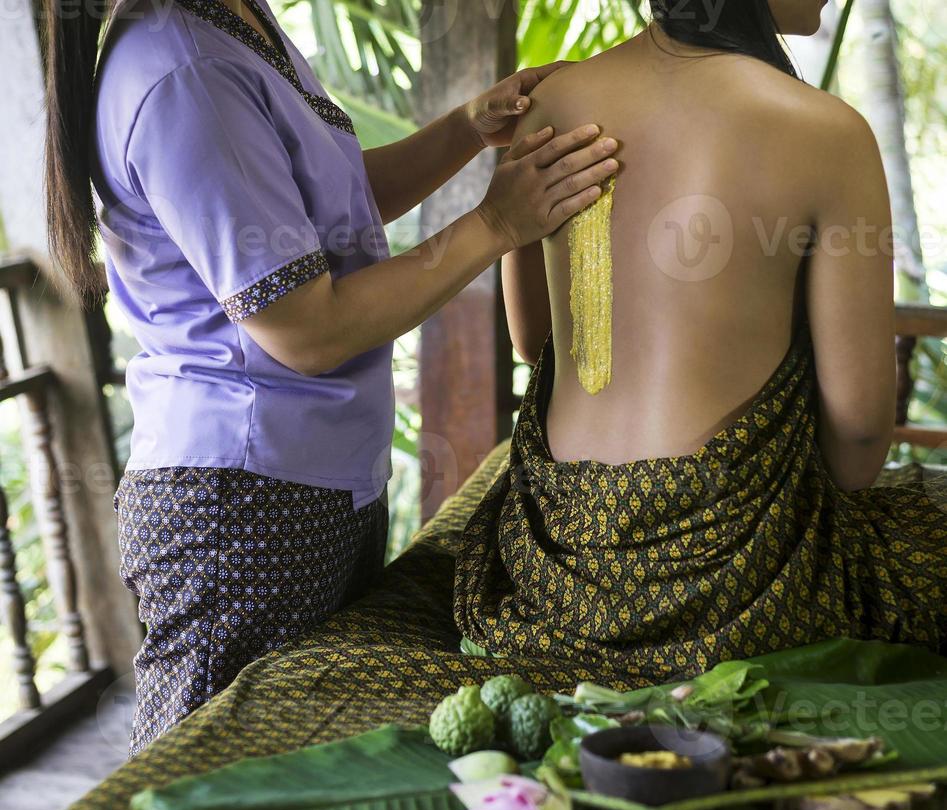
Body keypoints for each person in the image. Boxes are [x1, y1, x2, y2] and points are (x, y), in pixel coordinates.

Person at [43, 0, 619, 753]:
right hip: (243, 501)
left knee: (294, 756)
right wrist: (498, 224)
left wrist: (463, 131)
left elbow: (314, 212)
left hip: (309, 482)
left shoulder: (236, 20)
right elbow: (306, 330)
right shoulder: (183, 69)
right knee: (208, 776)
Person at [454, 0, 947, 677]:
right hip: (736, 591)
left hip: (555, 565)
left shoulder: (551, 102)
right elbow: (860, 433)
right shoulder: (827, 131)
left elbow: (532, 339)